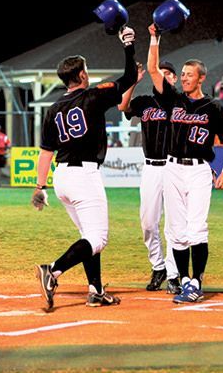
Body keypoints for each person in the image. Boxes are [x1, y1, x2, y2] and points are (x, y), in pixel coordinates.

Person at [30, 25, 138, 311]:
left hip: (61, 177)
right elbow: (127, 78)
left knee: (89, 236)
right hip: (83, 175)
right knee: (97, 238)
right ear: (80, 76)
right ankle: (52, 271)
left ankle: (96, 290)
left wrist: (40, 187)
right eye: (86, 70)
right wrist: (128, 45)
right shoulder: (92, 96)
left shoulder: (53, 109)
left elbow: (45, 152)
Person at [146, 24, 223, 304]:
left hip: (198, 170)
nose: (183, 78)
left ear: (201, 78)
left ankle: (197, 280)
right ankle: (184, 280)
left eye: (188, 75)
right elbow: (152, 70)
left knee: (197, 227)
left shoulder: (214, 107)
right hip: (171, 169)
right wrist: (154, 38)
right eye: (181, 74)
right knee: (176, 230)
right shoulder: (172, 99)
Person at [118, 59, 181, 294]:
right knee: (148, 222)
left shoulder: (178, 102)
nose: (163, 77)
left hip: (174, 166)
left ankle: (174, 274)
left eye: (168, 74)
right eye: (160, 73)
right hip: (151, 168)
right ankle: (159, 266)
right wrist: (133, 82)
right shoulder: (145, 102)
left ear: (173, 80)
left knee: (174, 225)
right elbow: (122, 107)